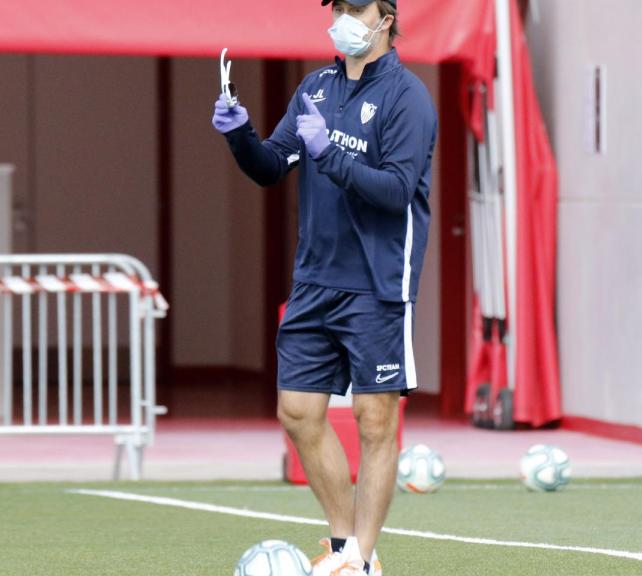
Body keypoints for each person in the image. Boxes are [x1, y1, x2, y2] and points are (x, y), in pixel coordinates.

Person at [212, 0, 437, 572]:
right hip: (315, 276)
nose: (342, 19)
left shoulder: (407, 96)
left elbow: (393, 191)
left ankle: (360, 557)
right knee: (297, 413)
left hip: (378, 280)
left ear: (385, 19)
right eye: (337, 8)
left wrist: (328, 152)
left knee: (375, 420)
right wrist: (242, 136)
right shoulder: (315, 87)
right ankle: (345, 546)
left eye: (354, 9)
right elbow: (271, 166)